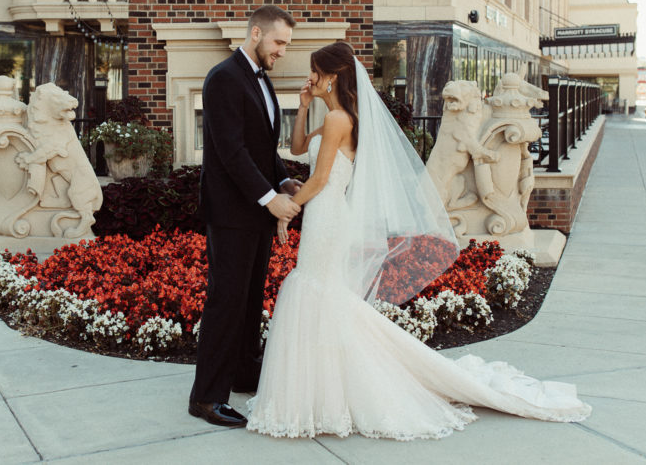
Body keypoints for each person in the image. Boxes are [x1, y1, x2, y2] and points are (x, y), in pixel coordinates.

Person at [246, 41, 591, 440]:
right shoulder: (336, 117)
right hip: (324, 215)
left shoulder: (341, 119)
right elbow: (297, 148)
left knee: (319, 293)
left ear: (334, 76)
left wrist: (286, 208)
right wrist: (304, 105)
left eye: (315, 73)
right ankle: (326, 393)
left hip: (326, 217)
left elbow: (320, 180)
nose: (311, 78)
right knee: (324, 296)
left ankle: (332, 393)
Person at [188, 5, 303, 428]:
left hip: (254, 212)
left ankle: (240, 374)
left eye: (286, 44)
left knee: (251, 299)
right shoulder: (223, 78)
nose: (282, 51)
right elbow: (230, 151)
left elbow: (260, 149)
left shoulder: (261, 81)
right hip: (232, 213)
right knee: (226, 302)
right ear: (256, 33)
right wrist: (268, 199)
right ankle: (205, 398)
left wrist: (284, 181)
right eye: (278, 42)